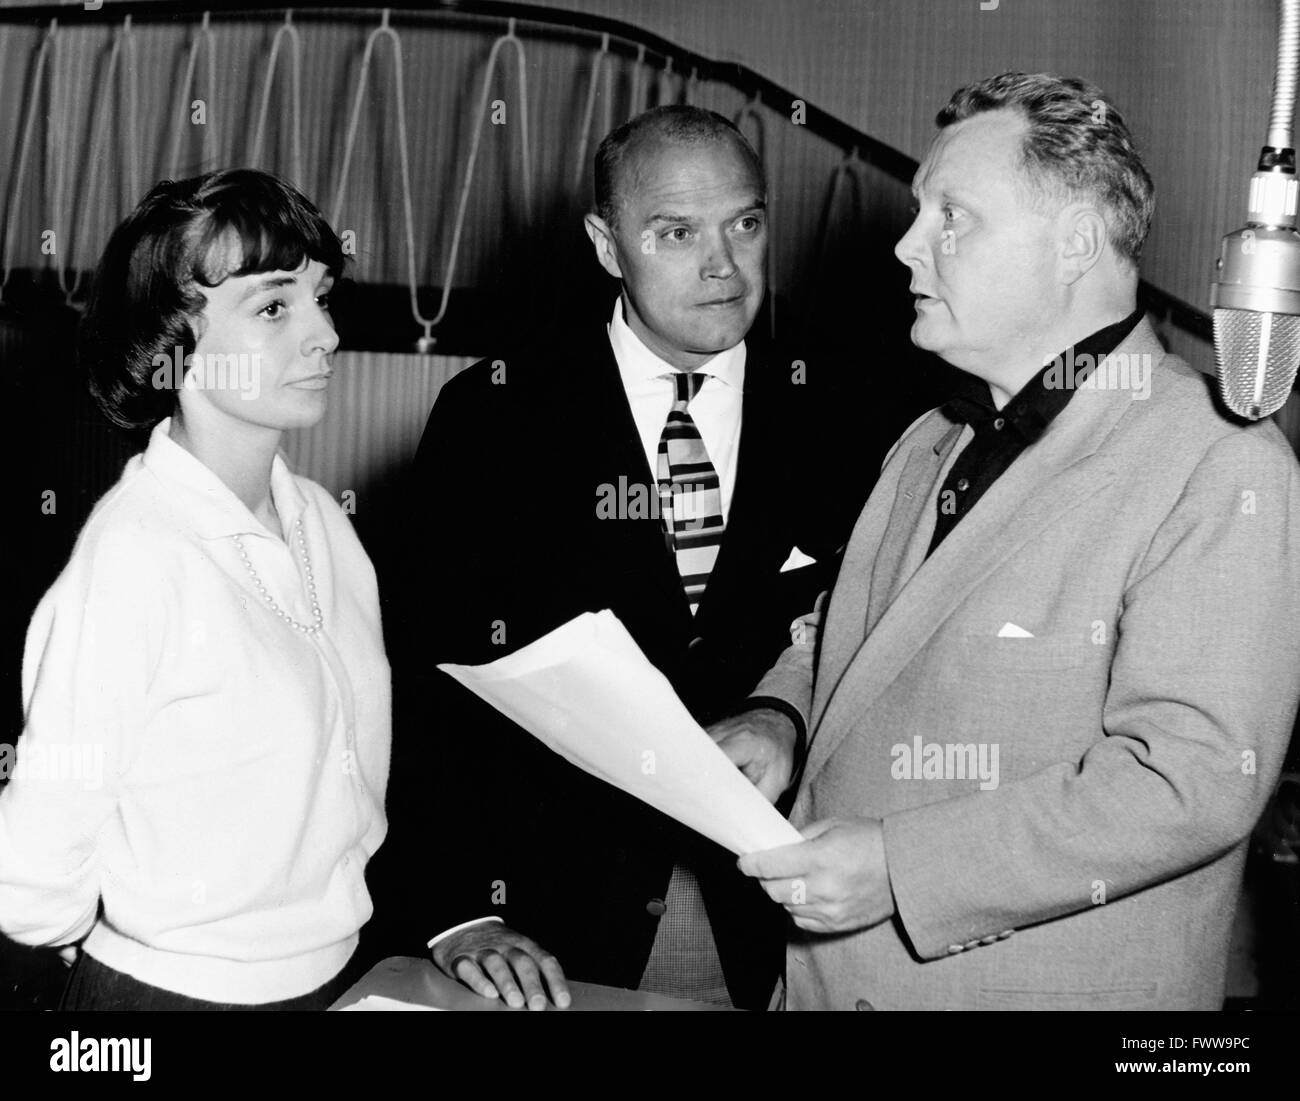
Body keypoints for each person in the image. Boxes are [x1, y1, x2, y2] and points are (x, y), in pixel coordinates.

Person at [721, 72, 1300, 1010]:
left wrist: (902, 868)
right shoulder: (929, 442)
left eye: (953, 215)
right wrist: (781, 716)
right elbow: (855, 636)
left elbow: (1189, 777)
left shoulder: (1219, 459)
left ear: (1074, 241)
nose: (908, 245)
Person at [371, 105, 852, 1010]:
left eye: (744, 224)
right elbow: (422, 680)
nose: (723, 265)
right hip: (547, 939)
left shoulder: (848, 413)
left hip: (789, 931)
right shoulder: (494, 417)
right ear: (606, 243)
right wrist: (458, 913)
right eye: (676, 233)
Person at [0, 169, 390, 1010]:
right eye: (274, 307)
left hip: (334, 979)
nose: (324, 333)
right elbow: (32, 862)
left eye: (322, 297)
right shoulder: (134, 555)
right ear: (171, 342)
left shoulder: (326, 524)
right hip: (167, 999)